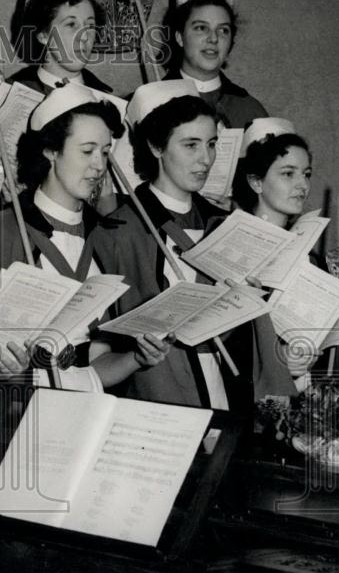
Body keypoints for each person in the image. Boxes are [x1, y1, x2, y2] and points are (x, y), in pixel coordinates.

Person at [0, 82, 172, 391]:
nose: (99, 166)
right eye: (87, 151)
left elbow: (92, 370)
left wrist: (137, 359)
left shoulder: (107, 236)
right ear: (51, 151)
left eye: (104, 152)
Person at [95, 80, 252, 410]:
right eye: (191, 145)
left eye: (211, 144)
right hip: (155, 404)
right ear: (156, 146)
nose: (206, 159)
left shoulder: (224, 224)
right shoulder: (118, 232)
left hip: (224, 399)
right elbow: (98, 360)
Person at [230, 117, 317, 393]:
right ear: (256, 182)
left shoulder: (308, 252)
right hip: (245, 390)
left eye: (307, 174)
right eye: (288, 173)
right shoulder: (232, 245)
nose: (302, 185)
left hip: (297, 389)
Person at [162, 0, 267, 129]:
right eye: (201, 28)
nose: (213, 38)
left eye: (223, 30)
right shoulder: (147, 103)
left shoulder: (251, 111)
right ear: (180, 37)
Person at [8, 0, 112, 95]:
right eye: (71, 24)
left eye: (90, 26)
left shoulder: (107, 101)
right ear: (43, 35)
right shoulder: (11, 96)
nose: (84, 37)